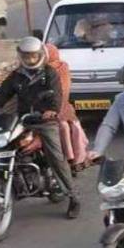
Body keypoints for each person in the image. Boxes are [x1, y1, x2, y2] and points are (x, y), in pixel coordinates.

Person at [0, 37, 80, 218]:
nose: (30, 60)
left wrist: (51, 110)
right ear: (21, 56)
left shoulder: (50, 73)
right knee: (4, 145)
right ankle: (9, 180)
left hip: (45, 121)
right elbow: (2, 94)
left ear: (41, 55)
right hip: (23, 120)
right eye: (27, 56)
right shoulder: (17, 75)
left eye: (34, 56)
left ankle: (73, 196)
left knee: (56, 157)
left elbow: (56, 95)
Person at [45, 43, 91, 173]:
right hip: (41, 107)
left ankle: (74, 159)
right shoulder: (37, 69)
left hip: (61, 105)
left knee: (70, 125)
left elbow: (64, 90)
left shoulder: (62, 67)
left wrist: (57, 107)